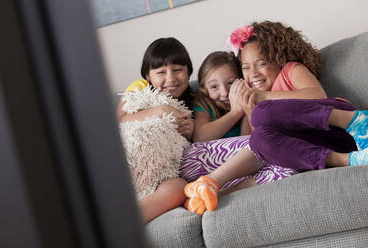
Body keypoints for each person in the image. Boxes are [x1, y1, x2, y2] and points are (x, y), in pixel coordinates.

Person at [183, 21, 368, 215]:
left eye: (261, 63)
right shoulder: (255, 101)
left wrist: (263, 98)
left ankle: (357, 121)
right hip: (324, 146)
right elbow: (262, 147)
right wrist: (247, 110)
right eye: (246, 68)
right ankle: (350, 160)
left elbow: (317, 96)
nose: (253, 74)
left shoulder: (290, 71)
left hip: (340, 125)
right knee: (260, 139)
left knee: (263, 114)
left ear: (278, 59)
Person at [181, 51, 297, 214]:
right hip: (197, 162)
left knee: (287, 168)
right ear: (204, 90)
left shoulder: (249, 100)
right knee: (271, 142)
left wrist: (247, 111)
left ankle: (208, 195)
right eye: (214, 86)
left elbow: (248, 142)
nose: (224, 92)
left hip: (234, 172)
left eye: (230, 83)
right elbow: (200, 137)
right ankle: (208, 183)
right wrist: (235, 112)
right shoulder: (204, 104)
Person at [117, 37, 195, 223]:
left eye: (177, 70)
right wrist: (160, 111)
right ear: (148, 77)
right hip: (131, 160)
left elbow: (191, 145)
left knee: (179, 187)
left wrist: (190, 131)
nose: (171, 78)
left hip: (160, 174)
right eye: (161, 72)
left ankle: (128, 220)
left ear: (188, 72)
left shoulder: (194, 101)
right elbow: (119, 120)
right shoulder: (140, 89)